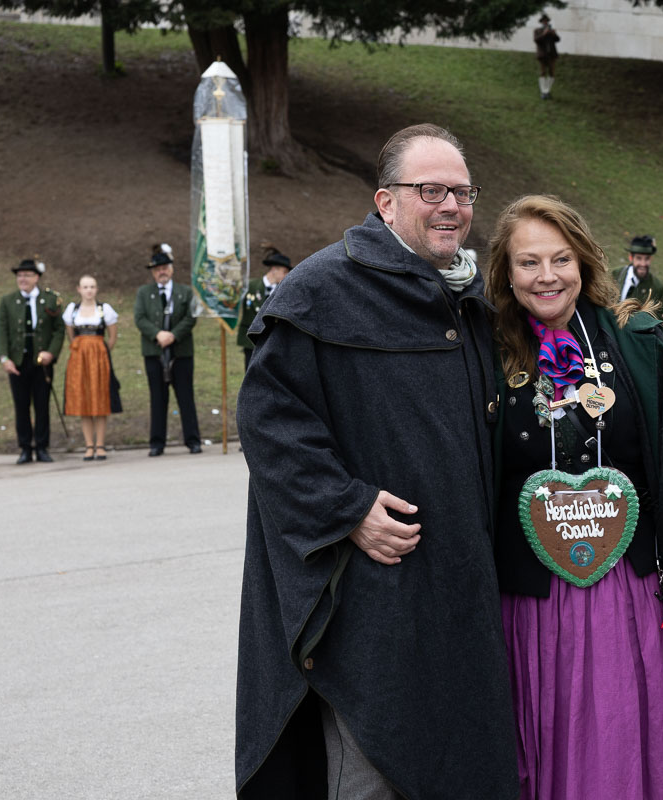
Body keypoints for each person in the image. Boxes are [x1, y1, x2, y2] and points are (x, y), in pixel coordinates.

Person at [234, 124, 519, 798]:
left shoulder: (472, 296)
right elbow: (268, 420)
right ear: (385, 202)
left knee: (456, 761)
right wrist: (347, 506)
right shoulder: (324, 288)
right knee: (373, 768)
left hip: (462, 592)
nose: (451, 205)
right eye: (430, 191)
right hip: (374, 596)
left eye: (461, 191)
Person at [486, 194, 663, 798]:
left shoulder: (638, 343)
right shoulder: (486, 352)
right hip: (525, 600)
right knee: (538, 737)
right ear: (505, 272)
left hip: (625, 591)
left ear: (585, 263)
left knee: (620, 733)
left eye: (560, 259)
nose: (547, 277)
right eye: (528, 263)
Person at [134, 244, 201, 457]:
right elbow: (140, 318)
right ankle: (157, 442)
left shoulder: (185, 292)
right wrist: (158, 334)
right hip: (154, 352)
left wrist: (173, 335)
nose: (161, 272)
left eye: (164, 267)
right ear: (153, 272)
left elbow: (191, 317)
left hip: (181, 352)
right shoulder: (144, 293)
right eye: (157, 269)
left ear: (171, 269)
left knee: (185, 397)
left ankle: (193, 441)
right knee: (157, 398)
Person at [0, 257, 64, 464]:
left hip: (41, 362)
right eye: (19, 275)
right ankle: (25, 447)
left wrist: (51, 353)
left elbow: (58, 330)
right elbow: (2, 332)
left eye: (26, 275)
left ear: (37, 277)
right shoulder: (8, 301)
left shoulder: (50, 299)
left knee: (42, 405)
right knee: (21, 405)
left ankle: (42, 446)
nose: (22, 279)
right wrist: (4, 358)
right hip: (18, 361)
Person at [62, 275, 119, 460]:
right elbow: (71, 336)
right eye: (85, 287)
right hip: (79, 359)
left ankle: (100, 445)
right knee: (84, 400)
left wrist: (99, 351)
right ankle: (88, 445)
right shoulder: (72, 310)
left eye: (92, 286)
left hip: (99, 359)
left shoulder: (104, 310)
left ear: (97, 289)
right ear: (78, 289)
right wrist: (82, 349)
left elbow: (111, 338)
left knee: (100, 399)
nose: (89, 290)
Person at [237, 246, 292, 370]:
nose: (287, 275)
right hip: (251, 341)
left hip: (273, 342)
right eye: (284, 272)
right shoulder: (251, 286)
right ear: (274, 269)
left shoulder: (283, 291)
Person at [614, 235, 663, 314]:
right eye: (639, 258)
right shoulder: (616, 274)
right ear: (631, 258)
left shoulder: (658, 287)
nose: (643, 264)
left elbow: (661, 322)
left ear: (651, 259)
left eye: (647, 258)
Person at [533, 13, 560, 100]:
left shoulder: (551, 31)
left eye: (546, 21)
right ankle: (543, 92)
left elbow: (558, 39)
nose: (545, 22)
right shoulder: (537, 30)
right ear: (541, 22)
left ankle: (547, 91)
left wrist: (553, 33)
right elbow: (536, 40)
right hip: (542, 54)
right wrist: (544, 33)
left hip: (551, 54)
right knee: (543, 72)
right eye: (544, 21)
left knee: (552, 72)